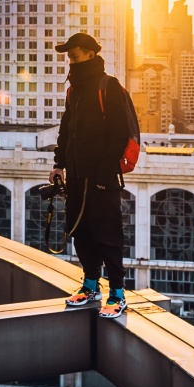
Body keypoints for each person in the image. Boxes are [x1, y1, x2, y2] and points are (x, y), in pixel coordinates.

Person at [49, 32, 130, 318]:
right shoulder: (75, 90)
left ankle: (118, 293)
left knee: (107, 234)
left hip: (102, 178)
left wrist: (102, 172)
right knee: (80, 231)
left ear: (91, 55)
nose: (70, 59)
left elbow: (120, 133)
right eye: (69, 55)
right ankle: (90, 285)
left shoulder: (107, 86)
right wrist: (59, 164)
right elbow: (66, 130)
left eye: (75, 54)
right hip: (77, 176)